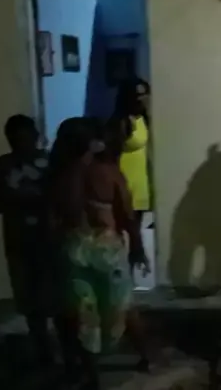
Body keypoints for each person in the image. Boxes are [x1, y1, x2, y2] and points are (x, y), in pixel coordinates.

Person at [47, 117, 152, 388]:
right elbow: (127, 214)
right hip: (107, 249)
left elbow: (55, 220)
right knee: (125, 307)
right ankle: (147, 357)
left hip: (73, 249)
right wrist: (137, 247)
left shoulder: (58, 176)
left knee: (83, 315)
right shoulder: (107, 172)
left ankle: (92, 377)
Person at [0, 114, 69, 368]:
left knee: (59, 300)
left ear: (35, 136)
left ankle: (69, 354)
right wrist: (15, 199)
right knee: (30, 303)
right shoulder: (2, 165)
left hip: (50, 242)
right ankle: (44, 355)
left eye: (25, 137)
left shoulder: (51, 162)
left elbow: (67, 196)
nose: (21, 143)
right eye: (15, 138)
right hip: (19, 244)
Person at [109, 78, 152, 228]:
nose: (141, 99)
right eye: (137, 95)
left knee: (136, 227)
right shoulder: (122, 121)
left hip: (141, 181)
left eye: (145, 94)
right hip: (125, 179)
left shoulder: (143, 118)